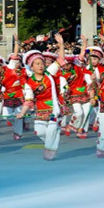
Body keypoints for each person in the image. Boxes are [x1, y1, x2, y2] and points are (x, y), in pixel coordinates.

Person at [17, 33, 66, 161]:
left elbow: (60, 60)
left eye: (42, 63)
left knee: (51, 130)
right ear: (31, 67)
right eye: (37, 64)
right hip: (40, 108)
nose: (40, 66)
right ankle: (52, 141)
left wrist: (61, 45)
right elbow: (28, 100)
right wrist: (22, 113)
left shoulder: (49, 73)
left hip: (54, 107)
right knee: (39, 132)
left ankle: (50, 149)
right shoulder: (29, 83)